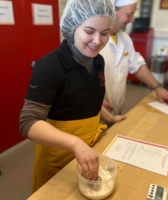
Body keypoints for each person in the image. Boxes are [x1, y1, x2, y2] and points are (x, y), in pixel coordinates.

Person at [19, 0, 121, 193]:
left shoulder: (98, 61)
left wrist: (112, 119)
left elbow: (86, 100)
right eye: (89, 31)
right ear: (72, 27)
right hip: (57, 160)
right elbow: (28, 122)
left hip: (91, 152)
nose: (98, 41)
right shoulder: (49, 67)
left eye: (105, 33)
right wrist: (76, 144)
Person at [100, 0, 168, 115]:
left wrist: (158, 87)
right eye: (129, 15)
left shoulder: (125, 39)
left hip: (116, 112)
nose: (133, 20)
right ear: (112, 11)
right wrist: (94, 98)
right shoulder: (95, 41)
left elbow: (137, 65)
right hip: (95, 114)